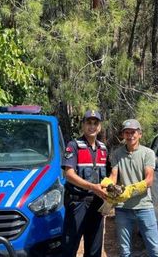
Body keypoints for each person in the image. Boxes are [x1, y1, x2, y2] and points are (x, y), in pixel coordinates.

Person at [105, 119, 158, 257]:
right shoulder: (117, 154)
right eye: (127, 132)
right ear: (123, 135)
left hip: (144, 206)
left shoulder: (148, 153)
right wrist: (108, 185)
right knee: (124, 251)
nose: (130, 135)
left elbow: (149, 180)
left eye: (133, 132)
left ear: (140, 134)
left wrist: (129, 190)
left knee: (154, 249)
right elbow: (113, 176)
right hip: (123, 208)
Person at [62, 110, 109, 257]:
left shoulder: (103, 148)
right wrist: (92, 187)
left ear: (99, 127)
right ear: (83, 125)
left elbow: (106, 177)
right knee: (70, 245)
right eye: (89, 122)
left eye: (95, 123)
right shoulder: (73, 145)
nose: (92, 126)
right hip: (78, 203)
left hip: (97, 203)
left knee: (94, 248)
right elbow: (69, 174)